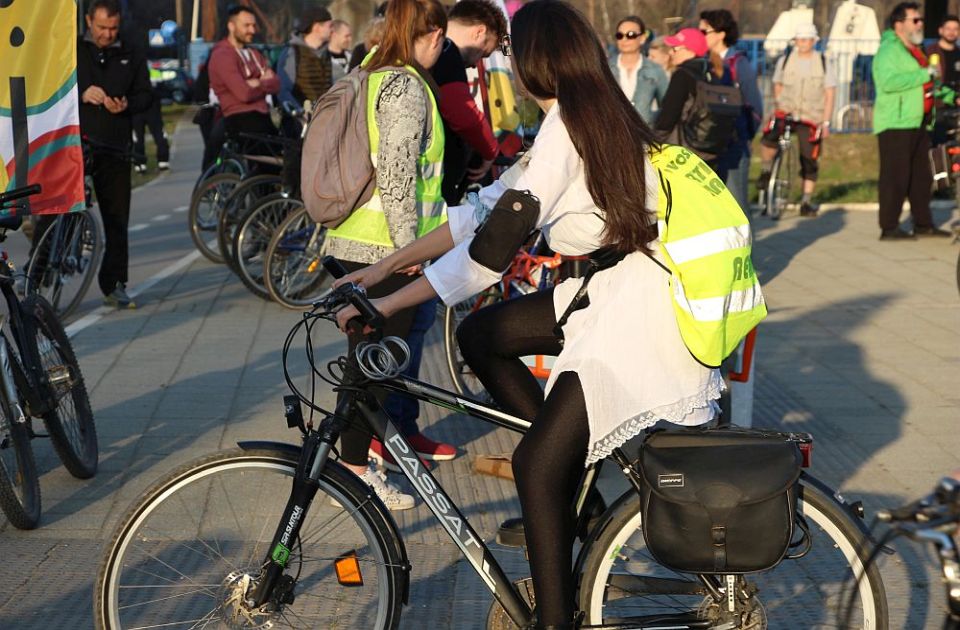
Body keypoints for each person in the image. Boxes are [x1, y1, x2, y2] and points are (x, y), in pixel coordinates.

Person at [333, 1, 722, 626]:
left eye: (512, 51)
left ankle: (555, 616)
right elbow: (480, 211)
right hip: (612, 294)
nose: (505, 62)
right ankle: (574, 478)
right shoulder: (578, 119)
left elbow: (486, 258)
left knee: (534, 467)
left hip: (635, 314)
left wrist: (386, 304)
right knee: (483, 334)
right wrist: (382, 269)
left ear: (534, 61)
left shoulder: (571, 127)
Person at [325, 0, 450, 510]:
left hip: (367, 243)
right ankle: (352, 474)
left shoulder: (374, 72)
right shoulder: (403, 85)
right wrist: (405, 253)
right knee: (374, 367)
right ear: (434, 34)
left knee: (368, 365)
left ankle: (353, 466)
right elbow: (398, 176)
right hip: (381, 248)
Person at [77, 0, 152, 308]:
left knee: (117, 219)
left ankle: (115, 283)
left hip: (116, 146)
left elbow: (146, 94)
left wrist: (127, 105)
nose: (107, 34)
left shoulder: (131, 53)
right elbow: (53, 88)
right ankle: (40, 274)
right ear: (88, 21)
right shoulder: (72, 51)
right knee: (58, 211)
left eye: (113, 29)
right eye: (101, 28)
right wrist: (81, 93)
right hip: (76, 143)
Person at [873, 2, 954, 239]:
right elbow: (888, 82)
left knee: (922, 176)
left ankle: (923, 223)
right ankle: (889, 227)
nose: (920, 23)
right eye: (915, 20)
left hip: (920, 120)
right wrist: (925, 74)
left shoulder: (915, 50)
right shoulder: (889, 50)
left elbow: (930, 84)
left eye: (920, 19)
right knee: (895, 176)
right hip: (896, 122)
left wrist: (950, 95)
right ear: (899, 24)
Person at [431, 0, 507, 206]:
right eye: (484, 53)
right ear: (479, 32)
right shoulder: (448, 53)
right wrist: (489, 150)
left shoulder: (432, 48)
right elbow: (462, 114)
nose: (475, 64)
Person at [756, 23, 835, 218]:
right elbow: (778, 85)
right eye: (800, 39)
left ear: (814, 41)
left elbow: (830, 93)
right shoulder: (785, 60)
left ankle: (806, 200)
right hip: (787, 112)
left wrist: (825, 122)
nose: (803, 43)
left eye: (807, 39)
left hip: (811, 116)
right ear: (795, 41)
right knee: (768, 138)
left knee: (809, 157)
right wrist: (781, 104)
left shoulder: (823, 61)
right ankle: (767, 172)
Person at [699, 9, 763, 216]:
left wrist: (743, 137)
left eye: (705, 31)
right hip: (708, 146)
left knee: (738, 208)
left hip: (734, 146)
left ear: (721, 33)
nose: (701, 36)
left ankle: (748, 249)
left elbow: (755, 108)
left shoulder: (739, 64)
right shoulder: (702, 62)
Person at [654, 28, 729, 175]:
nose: (670, 53)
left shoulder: (682, 75)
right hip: (710, 153)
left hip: (683, 153)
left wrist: (652, 141)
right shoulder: (712, 73)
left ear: (690, 51)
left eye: (675, 49)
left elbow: (667, 118)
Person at [208, 6, 280, 156]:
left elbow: (276, 84)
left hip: (264, 117)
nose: (252, 30)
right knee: (273, 164)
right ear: (231, 26)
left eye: (253, 25)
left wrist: (256, 83)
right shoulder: (222, 55)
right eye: (246, 25)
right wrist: (262, 81)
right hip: (240, 119)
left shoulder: (254, 53)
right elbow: (244, 94)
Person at [609, 16, 668, 124]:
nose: (624, 40)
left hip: (644, 135)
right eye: (620, 35)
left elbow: (666, 106)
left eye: (631, 35)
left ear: (642, 38)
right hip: (612, 134)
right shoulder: (605, 68)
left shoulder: (655, 70)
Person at [927, 14, 960, 146]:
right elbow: (932, 82)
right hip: (938, 107)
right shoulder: (930, 51)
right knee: (938, 147)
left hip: (957, 107)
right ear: (941, 30)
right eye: (948, 28)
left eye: (956, 29)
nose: (952, 32)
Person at [131, 86, 170, 173]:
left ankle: (142, 164)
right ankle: (161, 162)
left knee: (139, 138)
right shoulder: (154, 73)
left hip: (139, 108)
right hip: (148, 108)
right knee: (140, 138)